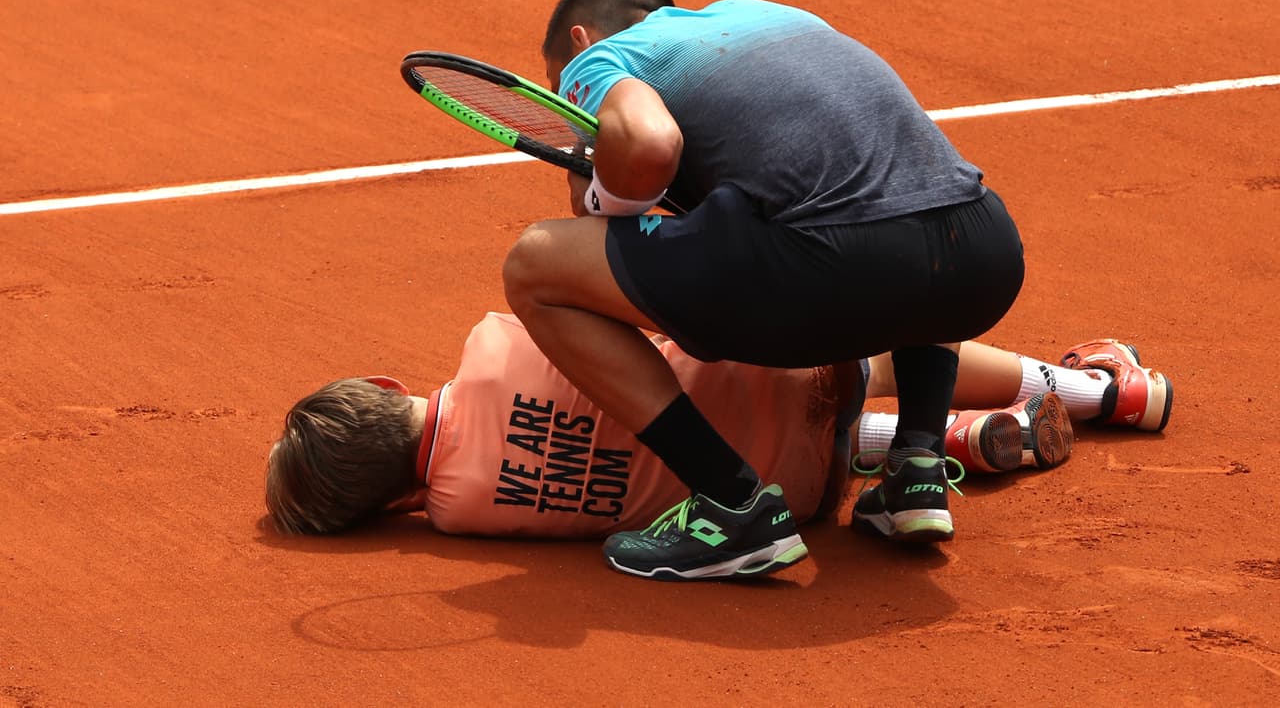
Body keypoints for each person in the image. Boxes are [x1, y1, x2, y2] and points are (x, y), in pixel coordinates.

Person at [500, 0, 1028, 578]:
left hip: (839, 267)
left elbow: (646, 146)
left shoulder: (600, 59)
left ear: (580, 40)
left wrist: (596, 185)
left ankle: (731, 504)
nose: (571, 109)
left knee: (535, 266)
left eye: (558, 84)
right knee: (896, 202)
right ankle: (917, 464)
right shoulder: (771, 13)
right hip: (982, 255)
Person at [265, 312, 1172, 552]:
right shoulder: (491, 344)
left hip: (801, 500)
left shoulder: (459, 515)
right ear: (385, 383)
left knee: (731, 443)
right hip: (804, 375)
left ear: (394, 501)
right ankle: (1103, 392)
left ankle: (972, 439)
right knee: (888, 351)